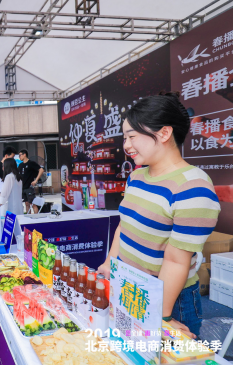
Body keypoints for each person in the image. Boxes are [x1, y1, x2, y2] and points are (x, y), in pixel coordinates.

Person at [97, 93, 220, 339]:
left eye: (132, 136)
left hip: (169, 300)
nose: (126, 145)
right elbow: (125, 227)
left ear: (164, 134)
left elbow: (176, 261)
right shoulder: (136, 177)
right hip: (129, 288)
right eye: (125, 137)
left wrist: (162, 317)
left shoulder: (193, 186)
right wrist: (110, 264)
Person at [18, 149, 44, 213]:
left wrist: (36, 180)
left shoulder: (31, 163)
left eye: (20, 155)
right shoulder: (20, 165)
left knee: (33, 204)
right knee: (27, 204)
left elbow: (41, 170)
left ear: (24, 154)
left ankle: (36, 218)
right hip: (23, 187)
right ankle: (28, 219)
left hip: (29, 187)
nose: (19, 157)